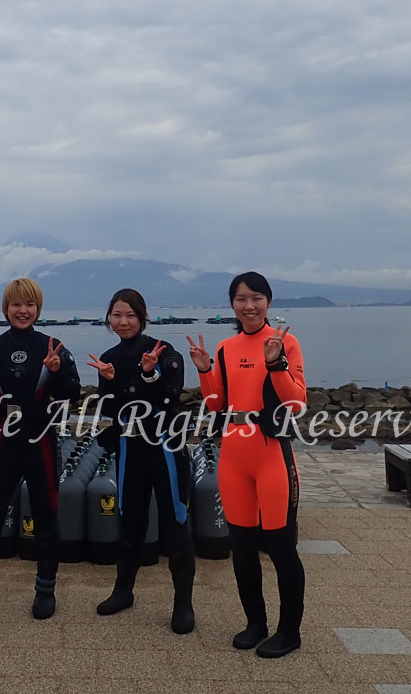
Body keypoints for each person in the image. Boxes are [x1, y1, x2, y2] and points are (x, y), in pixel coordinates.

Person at [188, 271, 307, 658]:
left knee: (280, 547)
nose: (249, 306)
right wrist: (205, 370)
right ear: (233, 305)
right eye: (241, 299)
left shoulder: (285, 342)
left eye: (256, 298)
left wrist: (275, 364)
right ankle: (255, 622)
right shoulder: (226, 346)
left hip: (271, 451)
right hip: (234, 452)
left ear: (268, 302)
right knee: (241, 547)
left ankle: (289, 631)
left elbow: (296, 401)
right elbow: (216, 404)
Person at [0, 277, 81, 619]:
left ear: (38, 309)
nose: (22, 311)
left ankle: (45, 591)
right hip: (2, 444)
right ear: (6, 309)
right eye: (16, 304)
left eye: (29, 304)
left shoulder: (52, 346)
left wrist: (56, 373)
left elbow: (74, 393)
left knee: (46, 517)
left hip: (40, 443)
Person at [88, 288, 196, 634]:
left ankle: (183, 603)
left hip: (165, 448)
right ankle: (123, 591)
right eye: (117, 315)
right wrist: (107, 383)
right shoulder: (108, 358)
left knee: (175, 524)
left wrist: (150, 373)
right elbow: (108, 410)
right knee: (129, 524)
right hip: (131, 449)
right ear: (109, 319)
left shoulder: (163, 351)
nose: (123, 321)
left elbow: (170, 396)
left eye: (130, 315)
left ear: (142, 317)